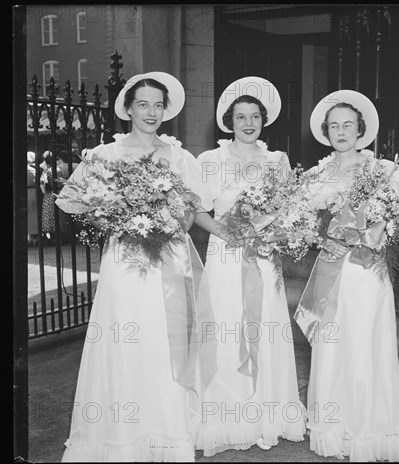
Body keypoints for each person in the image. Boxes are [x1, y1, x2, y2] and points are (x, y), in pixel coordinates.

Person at [58, 71, 214, 462]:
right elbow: (72, 201)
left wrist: (173, 223)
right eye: (142, 104)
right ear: (127, 108)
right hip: (125, 262)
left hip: (169, 258)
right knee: (124, 338)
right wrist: (113, 217)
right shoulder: (104, 156)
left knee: (165, 338)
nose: (151, 112)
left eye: (158, 105)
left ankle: (165, 429)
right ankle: (120, 433)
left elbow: (194, 209)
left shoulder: (179, 156)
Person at [293, 90, 399, 462]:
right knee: (332, 340)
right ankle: (333, 424)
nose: (341, 131)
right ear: (325, 131)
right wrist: (320, 235)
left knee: (366, 338)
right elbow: (300, 222)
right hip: (332, 269)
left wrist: (378, 229)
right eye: (334, 125)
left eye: (348, 124)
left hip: (366, 270)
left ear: (361, 129)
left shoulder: (384, 171)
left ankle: (370, 422)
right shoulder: (316, 174)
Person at [191, 76, 306, 456]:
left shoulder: (277, 161)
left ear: (264, 119)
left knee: (267, 326)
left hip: (262, 255)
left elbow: (288, 208)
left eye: (254, 116)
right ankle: (228, 415)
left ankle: (267, 413)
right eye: (240, 116)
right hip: (224, 253)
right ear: (229, 120)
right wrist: (227, 231)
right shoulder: (209, 160)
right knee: (225, 327)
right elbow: (198, 211)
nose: (248, 123)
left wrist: (267, 231)